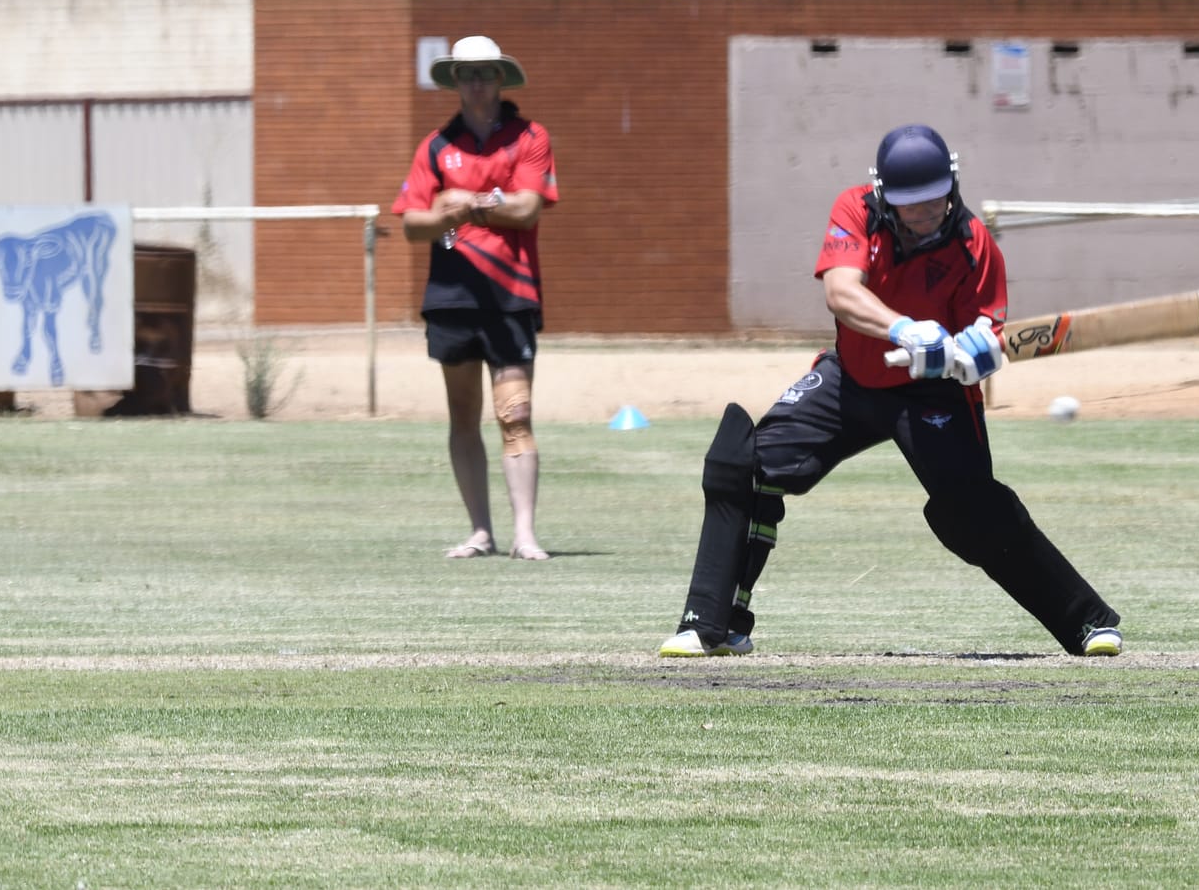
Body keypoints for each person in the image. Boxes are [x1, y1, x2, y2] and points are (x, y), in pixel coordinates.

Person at [657, 123, 1123, 658]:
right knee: (743, 468)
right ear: (882, 195)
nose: (925, 215)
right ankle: (713, 626)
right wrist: (903, 327)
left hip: (934, 395)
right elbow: (840, 291)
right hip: (851, 378)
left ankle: (1087, 622)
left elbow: (988, 333)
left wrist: (973, 357)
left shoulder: (975, 244)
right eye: (911, 206)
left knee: (971, 511)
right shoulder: (853, 209)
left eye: (935, 202)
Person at [392, 35, 559, 561]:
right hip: (451, 296)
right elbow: (412, 223)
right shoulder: (436, 146)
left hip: (511, 294)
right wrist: (448, 212)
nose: (477, 82)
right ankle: (480, 531)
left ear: (501, 78)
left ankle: (525, 534)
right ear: (455, 83)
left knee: (515, 415)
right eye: (467, 74)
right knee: (462, 417)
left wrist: (464, 203)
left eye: (486, 72)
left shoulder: (529, 136)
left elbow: (528, 208)